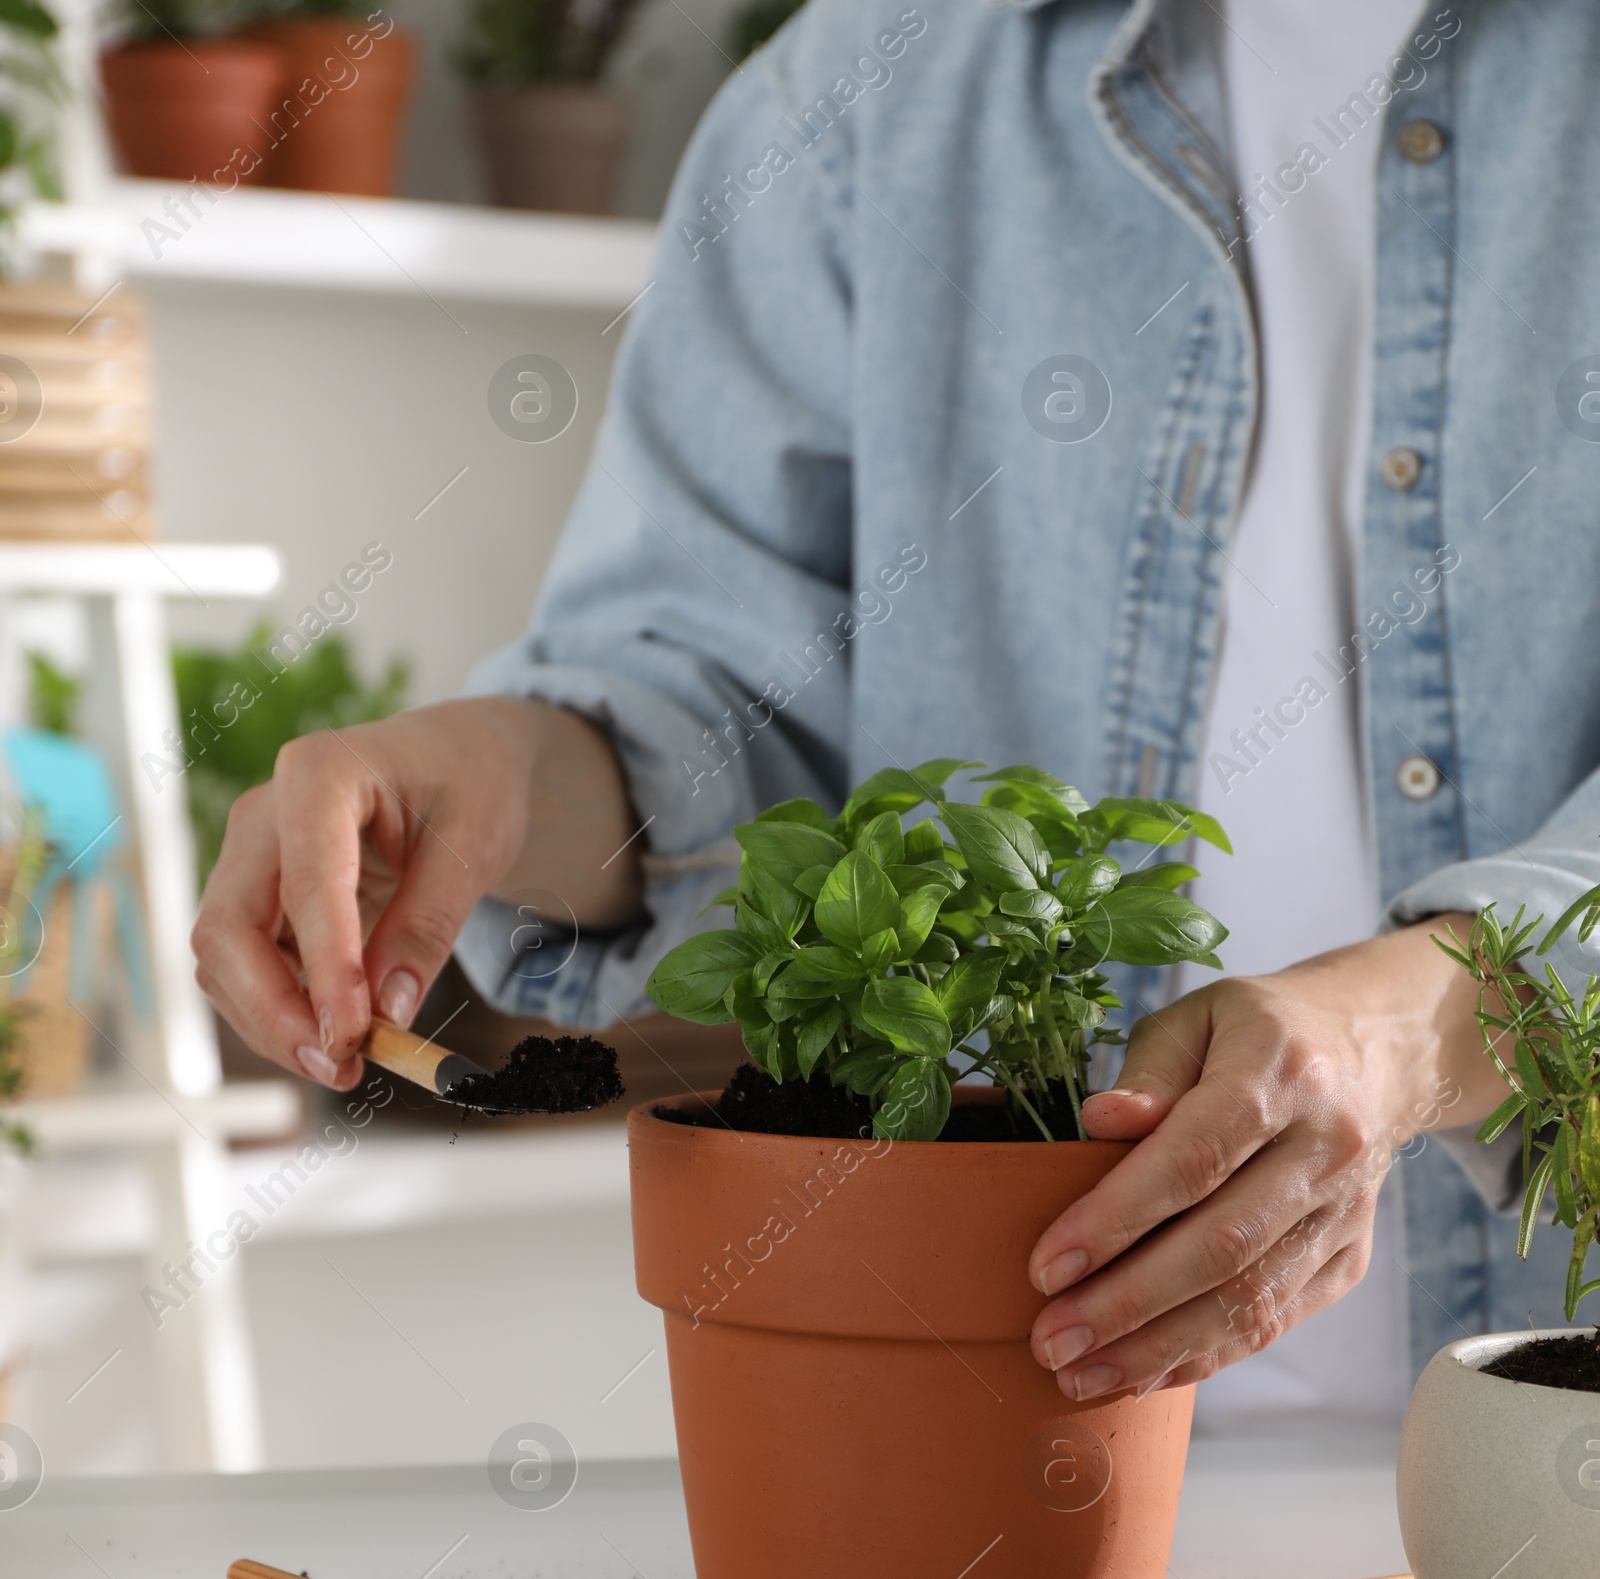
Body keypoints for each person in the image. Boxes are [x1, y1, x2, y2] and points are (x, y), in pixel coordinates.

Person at [193, 0, 1600, 1425]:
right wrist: (498, 771)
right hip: (1006, 1432)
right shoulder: (869, 81)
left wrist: (1429, 1025)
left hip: (1549, 1470)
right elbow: (725, 707)